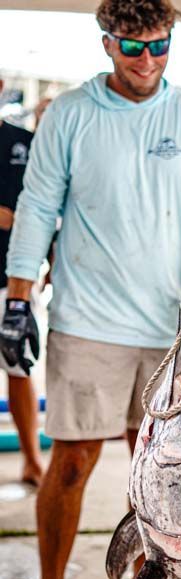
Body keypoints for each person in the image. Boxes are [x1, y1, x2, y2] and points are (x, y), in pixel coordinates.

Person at [1, 0, 181, 579]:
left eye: (161, 47)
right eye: (134, 48)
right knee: (72, 464)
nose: (149, 60)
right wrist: (19, 299)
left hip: (168, 327)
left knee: (154, 468)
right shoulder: (72, 114)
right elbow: (37, 207)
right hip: (87, 320)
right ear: (107, 45)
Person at [0, 78, 43, 486]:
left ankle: (31, 459)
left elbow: (42, 208)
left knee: (20, 369)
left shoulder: (24, 142)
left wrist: (50, 258)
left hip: (14, 282)